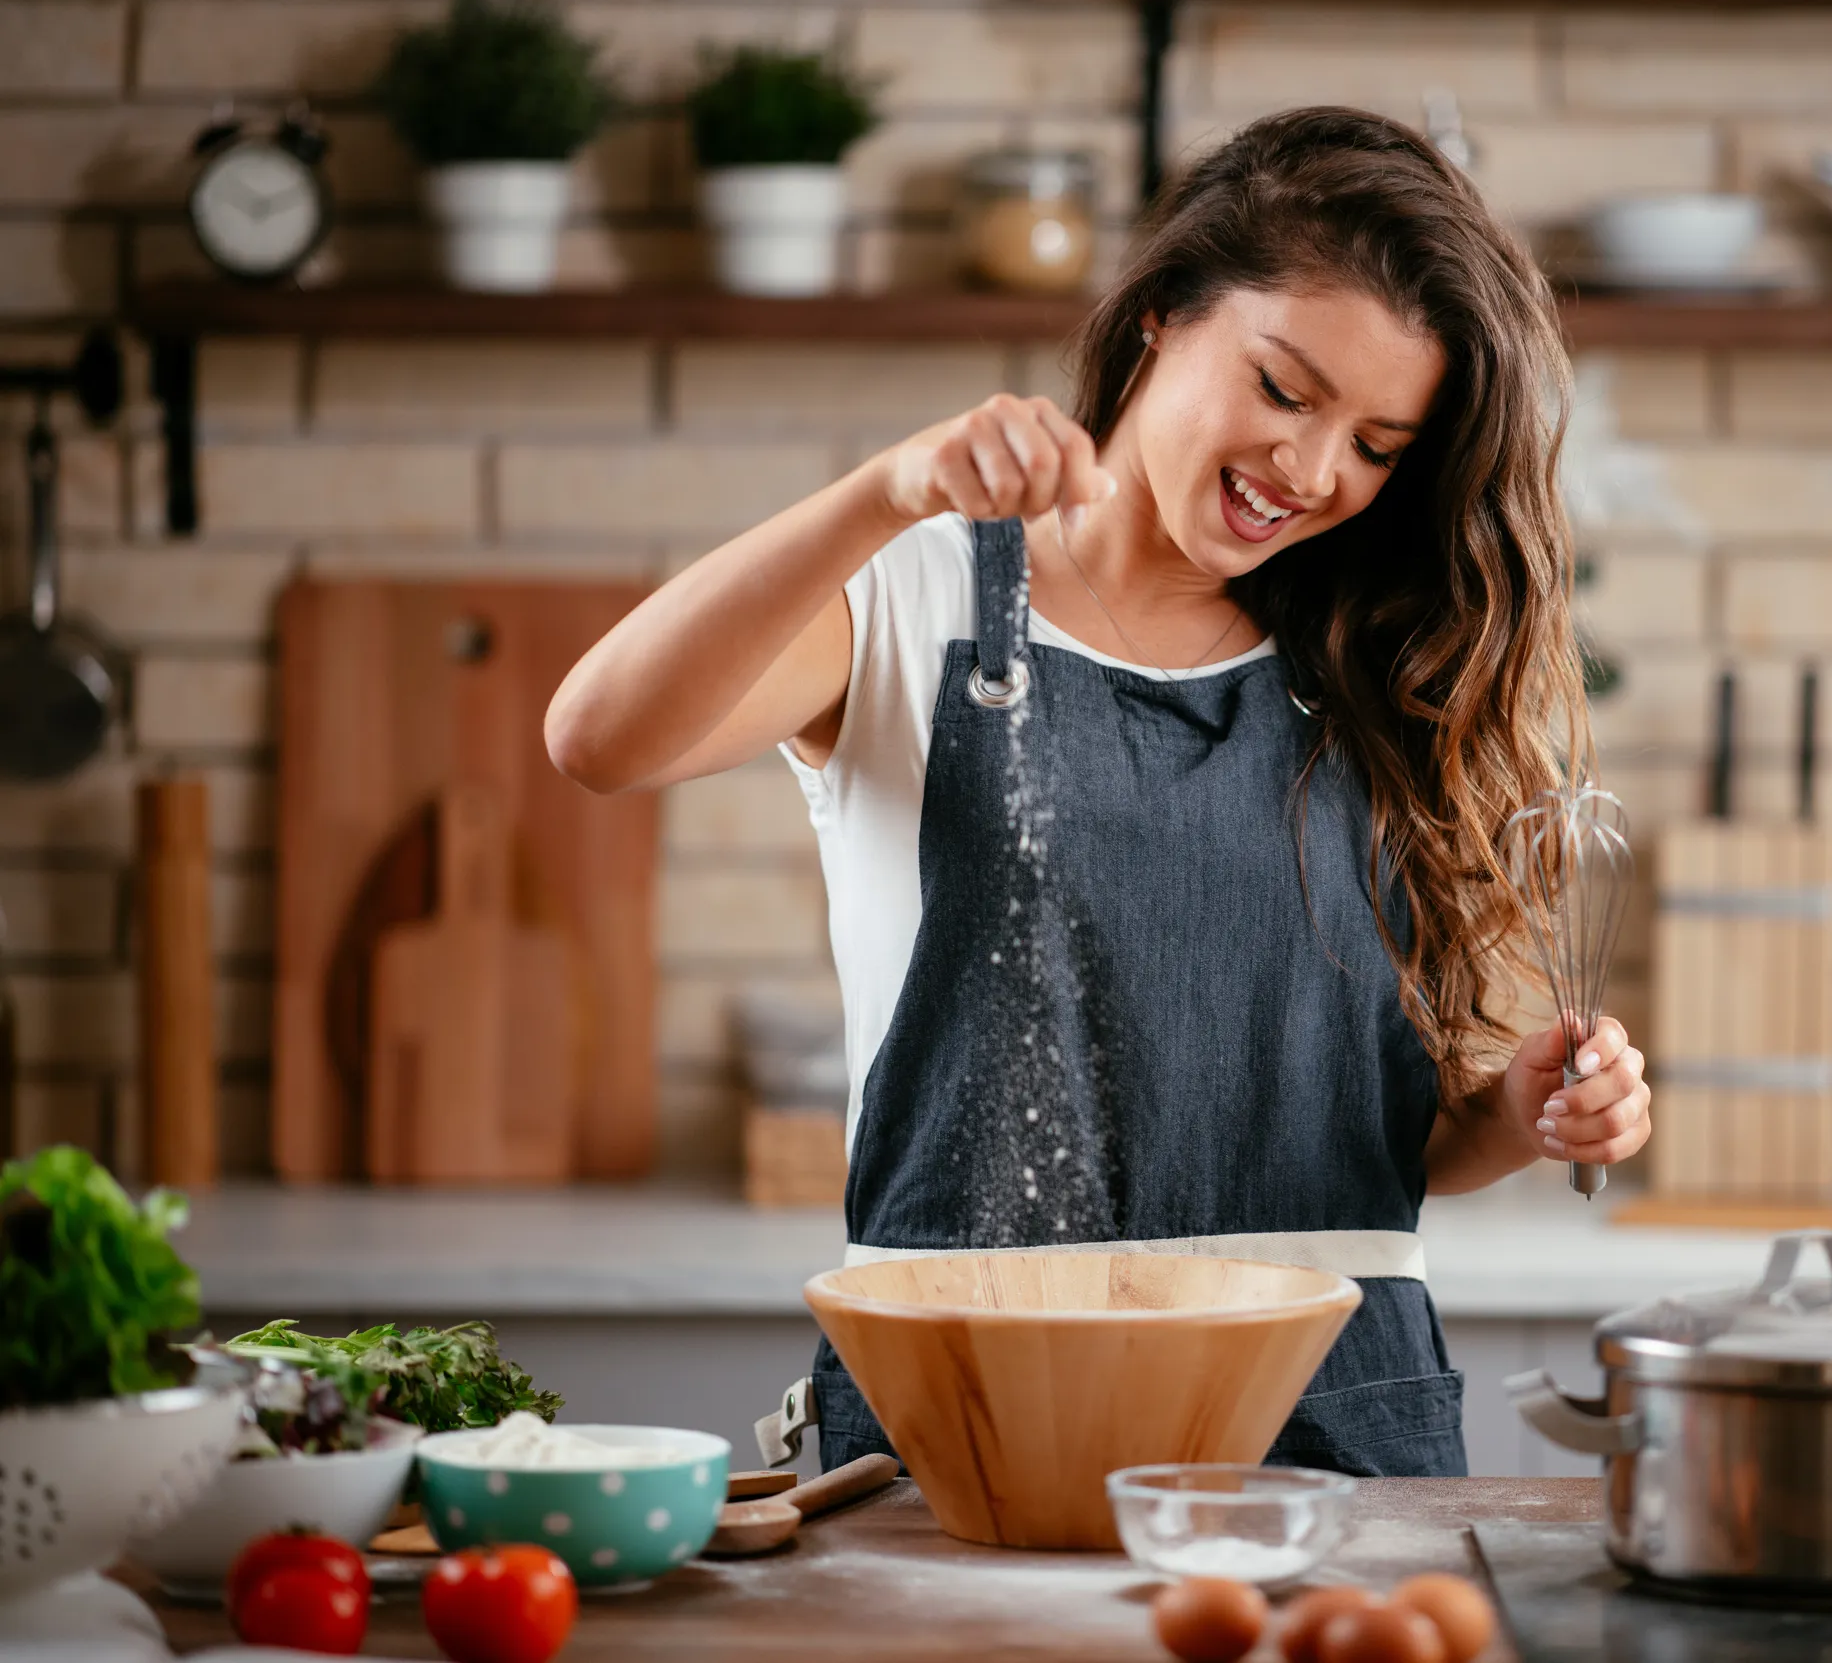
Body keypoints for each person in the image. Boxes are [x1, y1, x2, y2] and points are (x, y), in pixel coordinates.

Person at [546, 106, 1652, 1478]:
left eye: (1376, 446)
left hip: (1329, 1420)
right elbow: (597, 736)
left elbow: (1371, 1149)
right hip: (975, 1394)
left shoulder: (1384, 667)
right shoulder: (922, 597)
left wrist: (1517, 1116)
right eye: (1284, 390)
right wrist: (881, 494)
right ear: (1162, 318)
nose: (1311, 473)